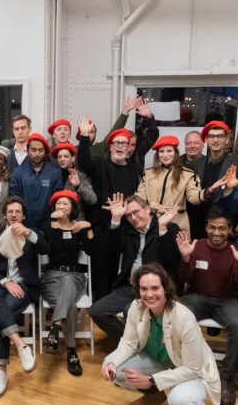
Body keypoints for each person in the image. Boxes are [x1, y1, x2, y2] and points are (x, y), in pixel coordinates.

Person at [101, 264, 221, 405]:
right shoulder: (136, 307)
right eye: (144, 289)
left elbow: (192, 369)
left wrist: (151, 380)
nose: (149, 294)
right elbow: (128, 343)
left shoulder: (184, 317)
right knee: (115, 369)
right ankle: (155, 395)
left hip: (191, 372)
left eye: (155, 288)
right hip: (161, 363)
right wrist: (112, 363)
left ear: (166, 289)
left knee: (181, 400)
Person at [175, 209, 238, 405]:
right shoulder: (196, 246)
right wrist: (185, 259)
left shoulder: (236, 251)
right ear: (206, 227)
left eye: (221, 228)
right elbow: (183, 279)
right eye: (212, 227)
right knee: (174, 314)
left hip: (227, 300)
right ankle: (180, 367)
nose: (216, 232)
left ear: (229, 230)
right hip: (196, 296)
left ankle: (226, 378)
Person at [89, 194, 179, 341]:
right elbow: (109, 250)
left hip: (154, 289)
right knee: (96, 311)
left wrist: (162, 230)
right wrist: (116, 220)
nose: (133, 218)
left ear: (148, 209)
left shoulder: (168, 227)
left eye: (136, 212)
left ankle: (137, 346)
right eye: (128, 215)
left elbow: (172, 262)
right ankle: (134, 344)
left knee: (128, 310)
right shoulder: (128, 230)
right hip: (128, 287)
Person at [0, 197, 48, 399]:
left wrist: (29, 233)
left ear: (23, 215)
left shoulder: (32, 234)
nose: (13, 214)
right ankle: (20, 345)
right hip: (1, 284)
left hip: (23, 287)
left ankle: (1, 370)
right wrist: (5, 282)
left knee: (3, 310)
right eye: (10, 211)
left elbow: (46, 249)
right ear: (4, 216)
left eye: (17, 211)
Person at [76, 117, 144, 300]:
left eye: (125, 143)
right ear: (111, 146)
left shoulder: (133, 169)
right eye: (117, 143)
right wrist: (84, 136)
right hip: (102, 226)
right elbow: (82, 162)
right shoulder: (99, 163)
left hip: (127, 226)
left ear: (130, 147)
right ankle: (102, 309)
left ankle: (121, 305)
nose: (121, 146)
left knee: (124, 269)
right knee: (102, 271)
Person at [41, 190, 93, 376]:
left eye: (66, 204)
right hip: (52, 278)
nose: (61, 207)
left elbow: (91, 249)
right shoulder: (48, 226)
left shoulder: (78, 227)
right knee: (69, 302)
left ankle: (55, 327)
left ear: (72, 209)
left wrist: (88, 227)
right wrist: (52, 222)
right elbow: (44, 248)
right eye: (58, 204)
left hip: (75, 277)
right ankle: (71, 350)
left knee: (69, 281)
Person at [135, 135, 208, 236]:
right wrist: (128, 205)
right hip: (151, 221)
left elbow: (194, 198)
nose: (165, 155)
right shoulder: (148, 173)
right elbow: (140, 196)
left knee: (176, 250)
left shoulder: (188, 174)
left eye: (169, 151)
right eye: (161, 151)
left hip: (177, 222)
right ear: (157, 155)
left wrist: (209, 191)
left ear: (175, 153)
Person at [187, 120, 238, 239]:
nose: (215, 140)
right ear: (206, 140)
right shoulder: (195, 164)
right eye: (211, 136)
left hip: (223, 227)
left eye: (220, 136)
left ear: (226, 140)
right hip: (197, 225)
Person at [8, 133, 63, 231]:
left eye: (41, 150)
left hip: (49, 226)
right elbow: (15, 198)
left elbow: (57, 200)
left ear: (45, 152)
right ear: (28, 151)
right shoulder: (18, 172)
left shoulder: (54, 172)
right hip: (24, 225)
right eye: (33, 150)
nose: (37, 154)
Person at [52, 142, 97, 218]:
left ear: (73, 158)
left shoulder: (80, 175)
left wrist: (78, 186)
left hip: (77, 222)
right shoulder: (53, 175)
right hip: (57, 221)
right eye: (59, 157)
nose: (62, 159)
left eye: (66, 156)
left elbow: (92, 200)